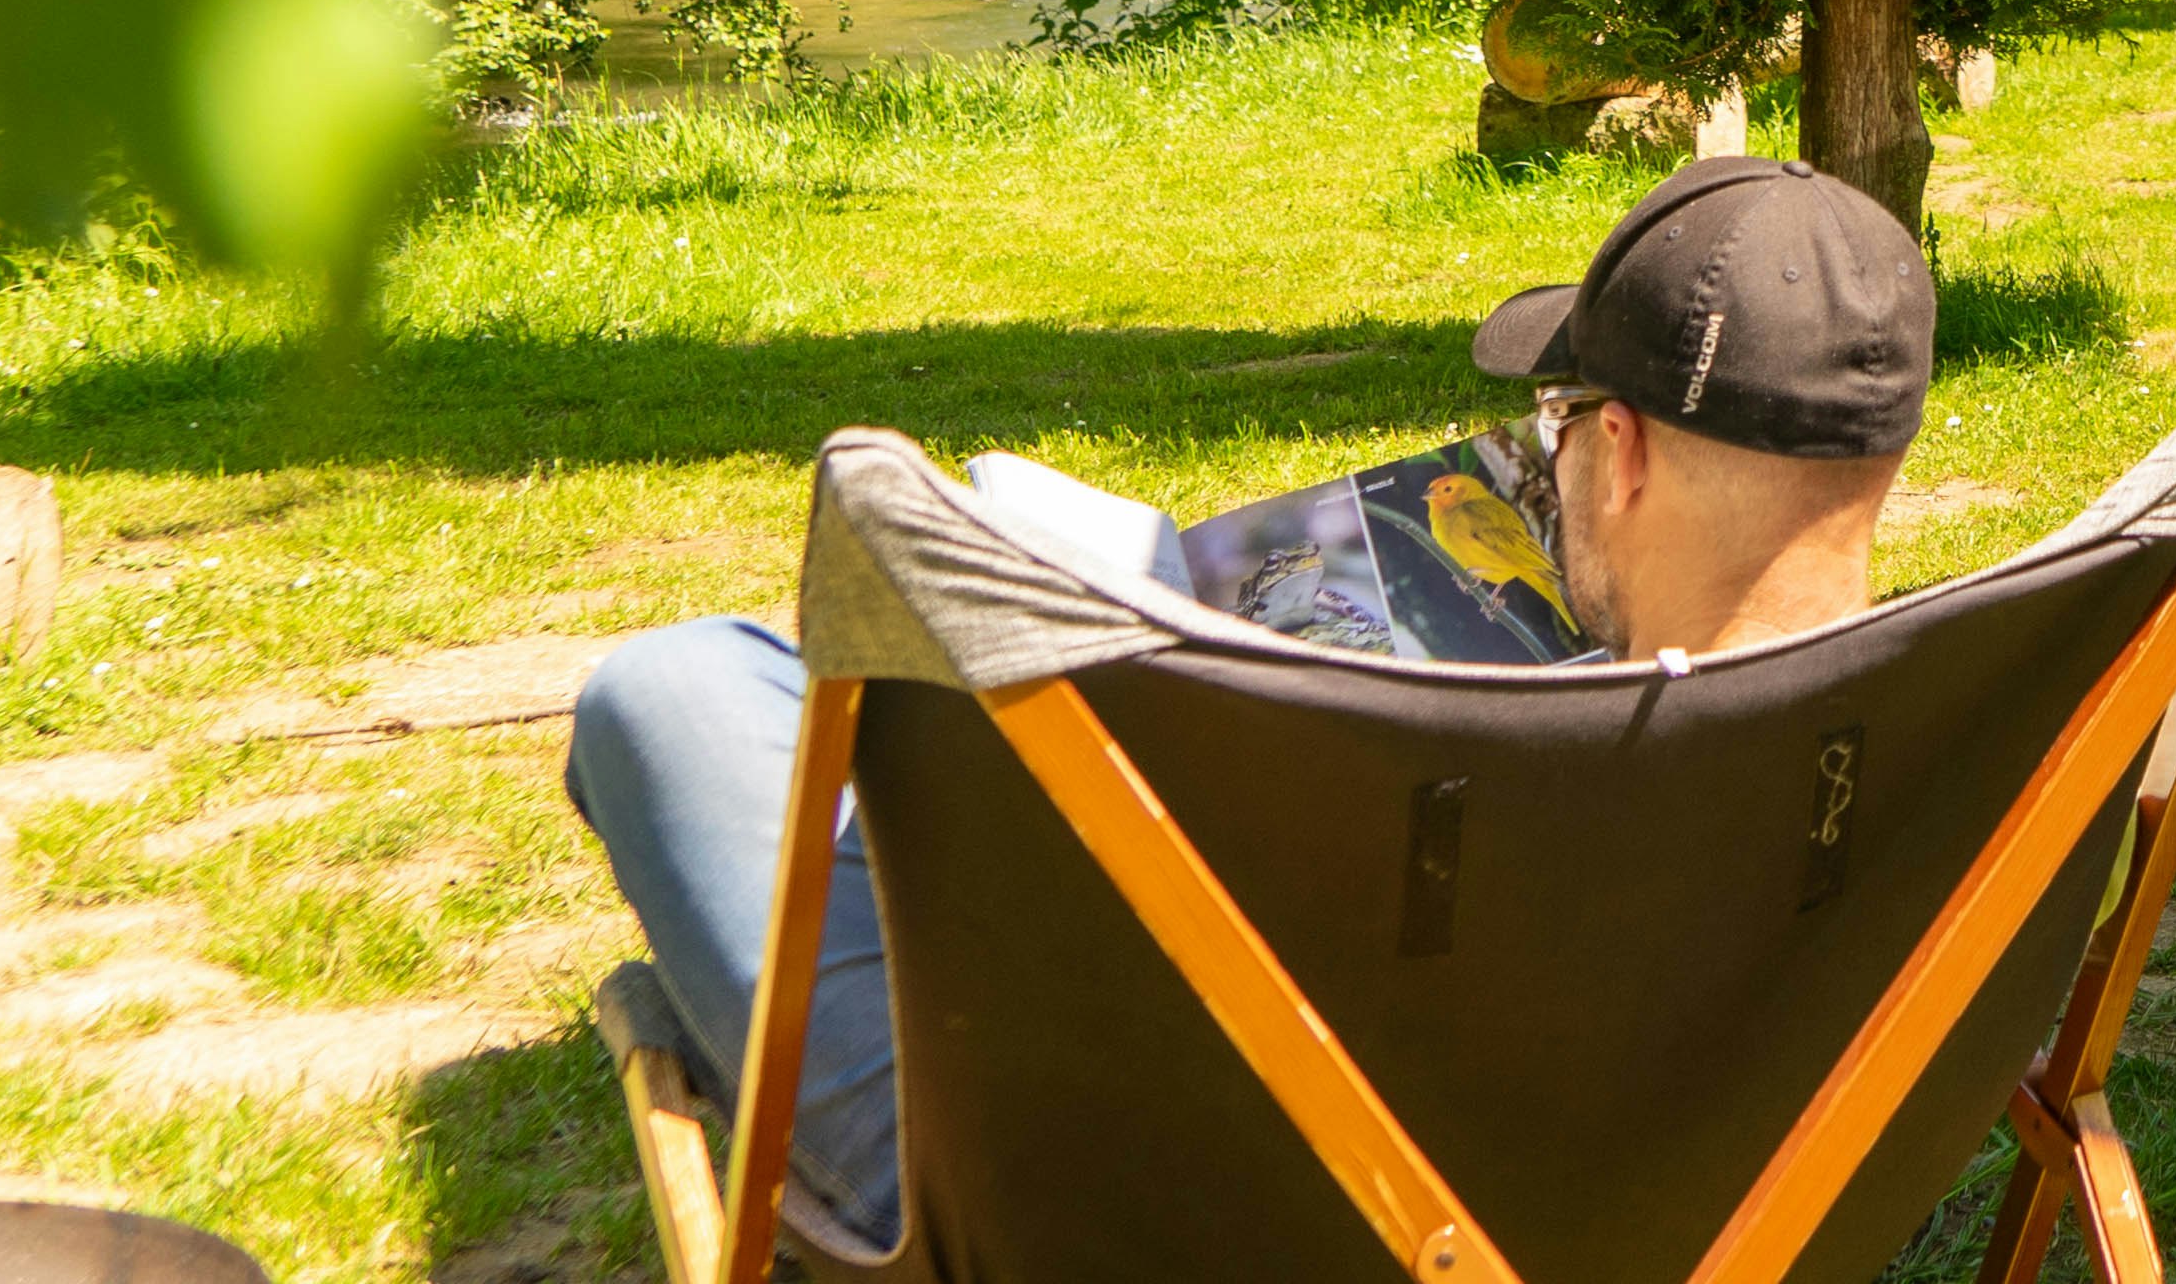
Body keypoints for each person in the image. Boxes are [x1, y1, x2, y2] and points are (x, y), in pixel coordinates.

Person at [565, 157, 1937, 1258]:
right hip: (1707, 1213)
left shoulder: (1467, 757)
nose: (1548, 451)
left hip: (1138, 1223)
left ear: (1621, 453)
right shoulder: (1975, 740)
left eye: (1563, 419)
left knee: (674, 689)